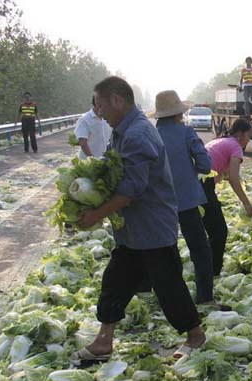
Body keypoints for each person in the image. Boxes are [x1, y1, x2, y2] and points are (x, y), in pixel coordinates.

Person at [72, 76, 205, 362]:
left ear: (117, 101)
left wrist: (96, 213)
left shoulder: (137, 134)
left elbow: (131, 190)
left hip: (152, 227)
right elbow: (109, 169)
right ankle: (104, 340)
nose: (99, 113)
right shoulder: (122, 130)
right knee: (115, 282)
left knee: (168, 285)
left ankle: (196, 335)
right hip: (133, 230)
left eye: (100, 105)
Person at [153, 90, 229, 311]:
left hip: (159, 202)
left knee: (164, 250)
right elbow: (206, 165)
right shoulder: (186, 133)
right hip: (186, 199)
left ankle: (165, 297)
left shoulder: (151, 134)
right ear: (178, 114)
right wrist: (189, 170)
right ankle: (205, 298)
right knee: (200, 250)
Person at [204, 119, 252, 275]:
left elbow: (222, 173)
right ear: (240, 134)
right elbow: (234, 178)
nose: (249, 140)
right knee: (219, 231)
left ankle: (205, 266)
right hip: (203, 184)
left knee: (207, 228)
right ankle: (212, 272)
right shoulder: (235, 146)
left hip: (196, 182)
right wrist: (247, 204)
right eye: (249, 135)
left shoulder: (221, 141)